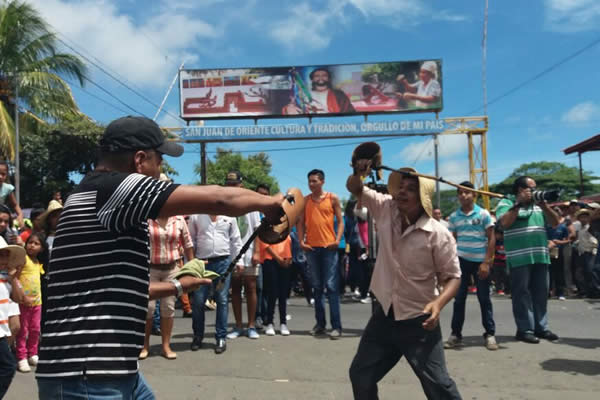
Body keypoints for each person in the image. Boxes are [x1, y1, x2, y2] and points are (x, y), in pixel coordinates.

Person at [35, 116, 284, 399]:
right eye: (160, 161)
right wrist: (271, 203)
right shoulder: (112, 188)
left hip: (112, 370)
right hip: (85, 376)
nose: (162, 169)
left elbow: (125, 290)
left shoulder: (92, 194)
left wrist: (180, 286)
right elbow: (220, 200)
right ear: (140, 160)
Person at [346, 165, 462, 400]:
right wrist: (360, 171)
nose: (402, 192)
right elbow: (355, 187)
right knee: (361, 374)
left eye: (411, 189)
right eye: (401, 187)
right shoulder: (386, 208)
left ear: (423, 199)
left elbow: (453, 278)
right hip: (384, 315)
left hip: (418, 321)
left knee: (438, 385)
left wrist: (438, 304)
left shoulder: (438, 234)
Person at [496, 176, 560, 344]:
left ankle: (541, 327)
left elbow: (555, 223)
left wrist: (545, 206)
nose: (535, 191)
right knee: (521, 293)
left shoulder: (539, 206)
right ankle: (525, 329)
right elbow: (503, 224)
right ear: (520, 190)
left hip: (540, 254)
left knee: (541, 292)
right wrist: (518, 204)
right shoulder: (506, 203)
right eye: (532, 188)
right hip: (519, 257)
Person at [139, 174, 195, 361]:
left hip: (172, 268)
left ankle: (166, 346)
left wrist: (192, 268)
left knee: (168, 308)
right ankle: (144, 346)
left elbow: (188, 244)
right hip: (150, 269)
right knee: (147, 308)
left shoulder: (178, 219)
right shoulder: (145, 217)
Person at [444, 182, 498, 351]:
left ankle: (490, 334)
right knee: (459, 299)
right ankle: (455, 335)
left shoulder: (483, 214)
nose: (463, 195)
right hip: (461, 262)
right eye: (460, 192)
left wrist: (486, 262)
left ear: (474, 195)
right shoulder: (453, 217)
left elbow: (492, 239)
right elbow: (452, 241)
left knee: (484, 299)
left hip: (480, 262)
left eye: (467, 192)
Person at [297, 169, 344, 339]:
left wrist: (337, 240)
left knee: (331, 287)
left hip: (329, 248)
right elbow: (300, 222)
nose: (311, 184)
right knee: (317, 287)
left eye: (315, 181)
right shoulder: (305, 200)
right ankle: (320, 324)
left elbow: (340, 222)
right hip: (312, 249)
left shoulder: (333, 198)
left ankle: (336, 326)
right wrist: (301, 242)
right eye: (309, 181)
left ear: (322, 182)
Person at [188, 212, 242, 354]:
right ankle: (198, 336)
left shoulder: (229, 217)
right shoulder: (196, 216)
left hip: (223, 262)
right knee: (199, 301)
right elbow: (191, 240)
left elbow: (235, 240)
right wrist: (192, 263)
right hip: (202, 263)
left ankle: (221, 337)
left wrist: (239, 261)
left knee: (222, 300)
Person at [226, 172, 262, 341]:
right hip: (232, 253)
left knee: (251, 287)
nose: (232, 187)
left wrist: (257, 251)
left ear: (241, 185)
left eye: (235, 184)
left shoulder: (251, 202)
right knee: (235, 288)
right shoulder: (225, 204)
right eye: (229, 184)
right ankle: (239, 325)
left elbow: (257, 229)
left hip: (249, 251)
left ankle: (251, 325)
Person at [16, 232, 48, 373]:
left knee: (35, 329)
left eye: (36, 244)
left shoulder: (38, 263)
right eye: (30, 242)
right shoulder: (23, 259)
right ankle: (21, 356)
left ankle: (32, 353)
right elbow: (15, 279)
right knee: (23, 330)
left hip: (37, 303)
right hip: (23, 302)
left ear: (41, 248)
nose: (32, 245)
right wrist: (22, 296)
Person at [0, 235, 26, 398]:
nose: (4, 259)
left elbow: (18, 298)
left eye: (6, 255)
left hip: (2, 332)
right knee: (8, 366)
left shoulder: (6, 279)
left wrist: (14, 277)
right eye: (1, 255)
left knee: (7, 367)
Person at [283, 67, 355, 115]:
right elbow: (290, 108)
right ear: (312, 79)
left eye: (324, 75)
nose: (321, 78)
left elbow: (350, 113)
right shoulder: (302, 94)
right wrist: (288, 108)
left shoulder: (339, 95)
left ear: (329, 78)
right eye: (317, 76)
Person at [260, 235, 293, 336]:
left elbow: (288, 243)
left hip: (285, 261)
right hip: (271, 260)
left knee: (283, 294)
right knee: (272, 293)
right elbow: (265, 244)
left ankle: (283, 323)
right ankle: (270, 322)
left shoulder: (285, 226)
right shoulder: (267, 225)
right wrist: (278, 258)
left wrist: (288, 258)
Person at [546, 210, 569, 300]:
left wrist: (559, 242)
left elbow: (567, 240)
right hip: (548, 251)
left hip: (559, 252)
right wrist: (549, 242)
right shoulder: (546, 227)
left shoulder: (562, 227)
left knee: (559, 273)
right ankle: (548, 291)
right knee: (548, 272)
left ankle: (560, 293)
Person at [0, 161, 24, 229]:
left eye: (3, 174)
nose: (0, 176)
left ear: (7, 175)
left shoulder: (7, 188)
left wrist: (20, 215)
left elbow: (15, 205)